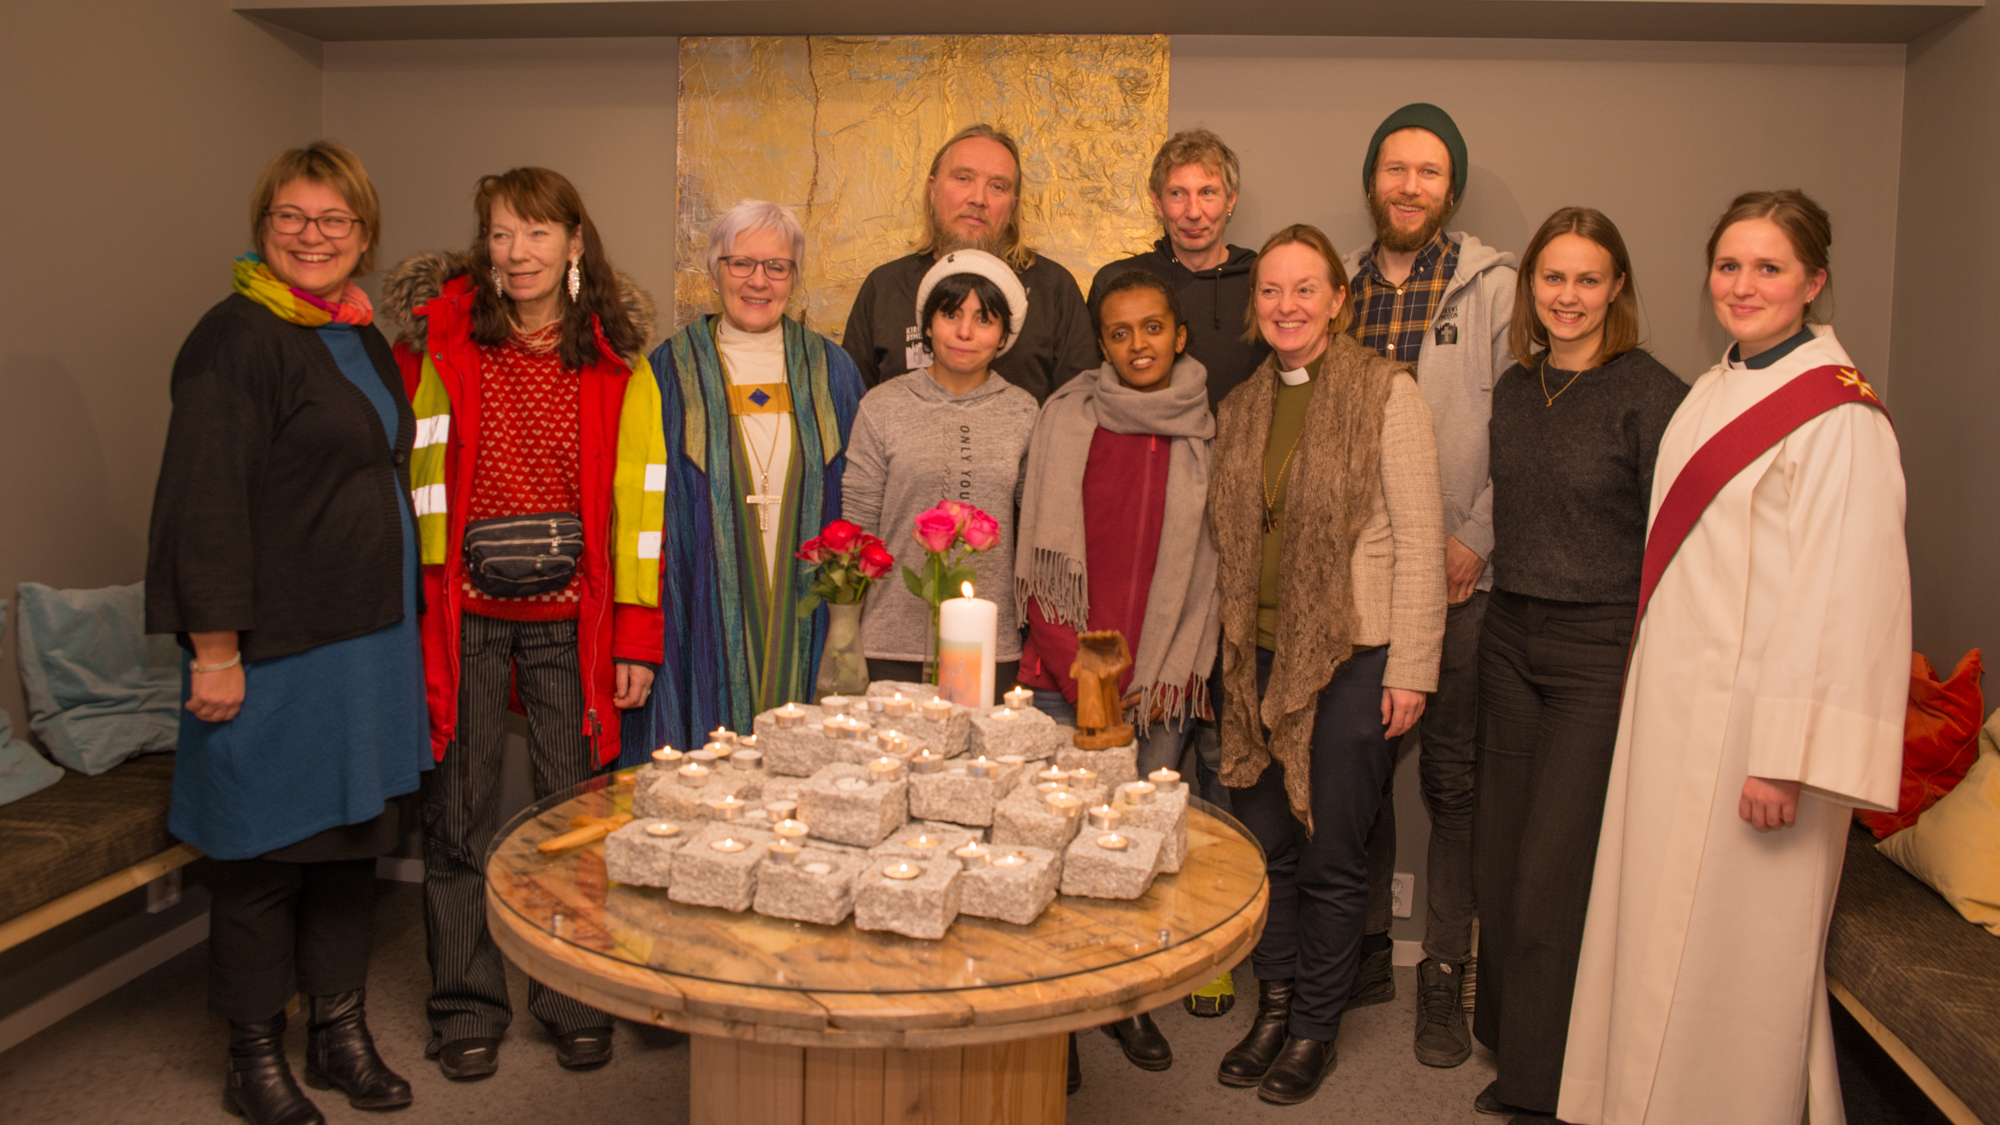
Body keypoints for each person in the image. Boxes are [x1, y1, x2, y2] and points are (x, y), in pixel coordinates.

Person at [1559, 191, 1907, 1125]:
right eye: (1729, 265)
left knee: (1730, 968)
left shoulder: (1839, 420)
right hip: (1676, 719)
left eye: (1769, 267)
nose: (1743, 286)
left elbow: (1844, 607)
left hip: (1755, 746)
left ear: (1814, 281)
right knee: (1655, 934)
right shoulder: (1716, 385)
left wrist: (1784, 760)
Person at [146, 140, 425, 1125]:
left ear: (364, 234)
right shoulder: (235, 339)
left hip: (365, 643)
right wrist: (214, 650)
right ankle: (251, 1054)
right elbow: (201, 506)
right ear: (264, 228)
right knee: (263, 855)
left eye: (332, 220)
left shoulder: (357, 331)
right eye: (291, 219)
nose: (312, 237)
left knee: (350, 847)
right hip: (278, 649)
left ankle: (338, 1032)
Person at [383, 167, 664, 1080]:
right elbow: (412, 481)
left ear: (576, 244)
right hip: (462, 618)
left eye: (537, 234)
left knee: (573, 820)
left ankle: (573, 993)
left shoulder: (618, 363)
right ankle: (464, 1001)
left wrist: (635, 633)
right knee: (457, 820)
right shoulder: (443, 342)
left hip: (571, 624)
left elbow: (643, 513)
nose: (518, 253)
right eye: (501, 234)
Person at [1211, 225, 1446, 1105]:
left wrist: (1412, 667)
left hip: (1353, 656)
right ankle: (1271, 1007)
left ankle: (1313, 1028)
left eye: (1306, 289)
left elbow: (1422, 540)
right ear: (1255, 305)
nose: (1287, 306)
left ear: (1339, 300)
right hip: (1255, 659)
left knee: (1333, 856)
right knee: (1266, 845)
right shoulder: (1242, 406)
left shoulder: (1388, 393)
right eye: (1271, 290)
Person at [1471, 208, 1686, 1121]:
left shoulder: (1652, 394)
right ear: (1532, 290)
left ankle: (1543, 1085)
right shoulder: (1517, 387)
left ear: (1618, 289)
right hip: (1509, 633)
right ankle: (1513, 1043)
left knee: (1554, 869)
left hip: (1599, 649)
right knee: (1503, 855)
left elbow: (1676, 544)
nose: (1568, 296)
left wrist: (1647, 656)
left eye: (1588, 279)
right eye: (1553, 279)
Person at [1342, 102, 1516, 1066]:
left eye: (1430, 172)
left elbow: (1524, 420)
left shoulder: (1494, 286)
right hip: (1366, 578)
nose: (1410, 186)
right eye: (1395, 168)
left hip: (1460, 577)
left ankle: (1444, 974)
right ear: (1374, 178)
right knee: (1356, 769)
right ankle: (1366, 947)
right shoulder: (1344, 289)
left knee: (1454, 782)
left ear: (1451, 188)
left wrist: (1475, 540)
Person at [1015, 269, 1222, 1082]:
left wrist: (1143, 683)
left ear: (1180, 335)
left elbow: (1211, 567)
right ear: (1101, 343)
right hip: (1067, 673)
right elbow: (1040, 557)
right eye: (1121, 331)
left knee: (1128, 849)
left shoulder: (1210, 428)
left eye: (1153, 327)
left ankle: (1123, 999)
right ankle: (1056, 1022)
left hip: (1162, 674)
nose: (1139, 344)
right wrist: (1083, 675)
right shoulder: (1066, 418)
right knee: (1054, 844)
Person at [624, 199, 865, 758]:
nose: (758, 281)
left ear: (795, 278)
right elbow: (644, 503)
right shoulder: (669, 369)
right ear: (714, 271)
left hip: (807, 608)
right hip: (705, 600)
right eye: (741, 264)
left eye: (776, 267)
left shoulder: (833, 370)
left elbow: (855, 501)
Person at [842, 249, 1039, 688]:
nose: (965, 332)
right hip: (890, 645)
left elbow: (1035, 532)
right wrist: (845, 636)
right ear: (927, 325)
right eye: (951, 314)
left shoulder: (1025, 412)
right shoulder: (882, 406)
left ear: (1004, 335)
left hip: (991, 645)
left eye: (984, 319)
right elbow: (856, 528)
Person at [841, 123, 1099, 403]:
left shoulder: (1054, 289)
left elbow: (1080, 412)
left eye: (997, 186)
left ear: (1013, 205)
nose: (978, 198)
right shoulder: (884, 288)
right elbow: (851, 412)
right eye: (963, 178)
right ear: (933, 189)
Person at [1087, 129, 1268, 409]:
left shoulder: (1263, 282)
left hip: (1244, 449)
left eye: (1207, 192)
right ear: (1157, 202)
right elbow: (1093, 392)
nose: (1193, 212)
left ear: (1230, 200)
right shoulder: (1117, 284)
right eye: (1177, 194)